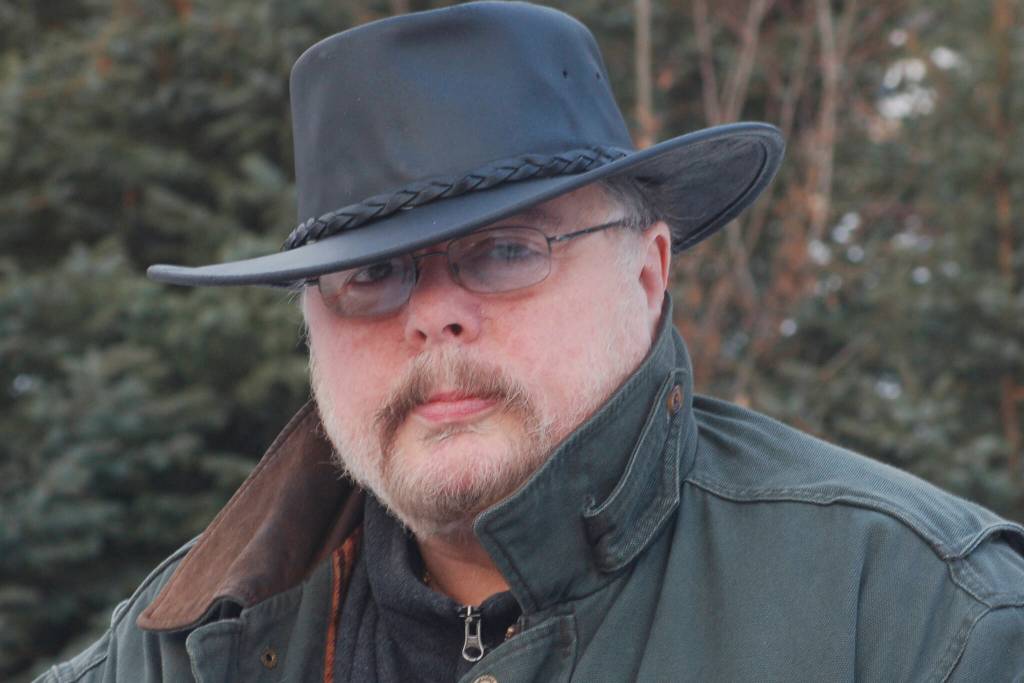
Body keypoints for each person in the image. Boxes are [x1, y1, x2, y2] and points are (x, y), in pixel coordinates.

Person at [38, 3, 1024, 682]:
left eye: (506, 250)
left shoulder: (919, 620)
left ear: (648, 273)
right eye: (371, 276)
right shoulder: (179, 647)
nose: (433, 315)